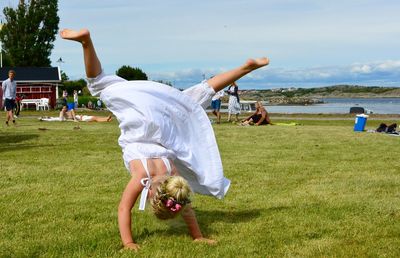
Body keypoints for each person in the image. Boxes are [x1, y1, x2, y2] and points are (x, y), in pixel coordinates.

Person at [60, 28, 269, 251]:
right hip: (142, 121)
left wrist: (198, 236)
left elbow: (184, 205)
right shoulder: (143, 177)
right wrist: (128, 242)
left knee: (196, 96)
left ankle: (244, 68)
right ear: (152, 195)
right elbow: (123, 209)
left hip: (159, 125)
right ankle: (86, 42)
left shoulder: (173, 177)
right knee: (98, 84)